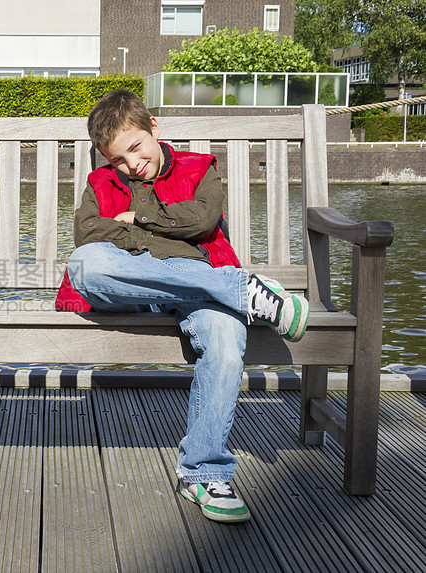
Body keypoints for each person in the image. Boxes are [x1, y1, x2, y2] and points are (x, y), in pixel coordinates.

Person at [55, 89, 309, 524]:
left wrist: (138, 221)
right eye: (118, 159)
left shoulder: (199, 168)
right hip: (134, 288)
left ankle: (204, 472)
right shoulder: (101, 183)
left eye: (135, 148)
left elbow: (203, 220)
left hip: (196, 288)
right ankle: (243, 292)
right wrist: (162, 240)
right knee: (85, 264)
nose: (131, 165)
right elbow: (87, 233)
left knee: (228, 340)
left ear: (154, 127)